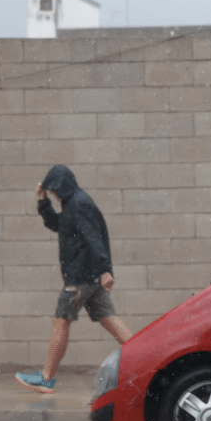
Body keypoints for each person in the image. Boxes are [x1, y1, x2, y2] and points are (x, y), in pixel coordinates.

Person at [15, 165, 133, 394]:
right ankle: (148, 358)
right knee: (109, 319)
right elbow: (58, 225)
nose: (54, 194)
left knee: (61, 321)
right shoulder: (73, 203)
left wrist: (105, 270)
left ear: (61, 186)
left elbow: (93, 237)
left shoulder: (78, 204)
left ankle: (46, 378)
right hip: (89, 277)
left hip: (80, 278)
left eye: (54, 191)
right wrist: (43, 202)